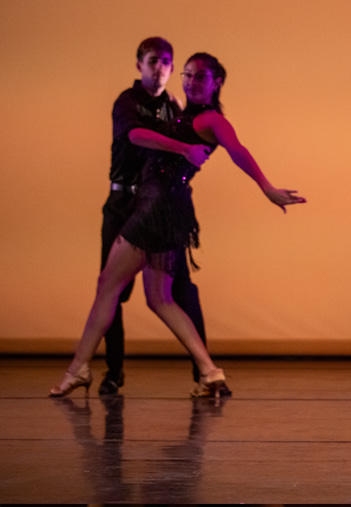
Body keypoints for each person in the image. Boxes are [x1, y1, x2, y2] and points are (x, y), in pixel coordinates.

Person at [49, 52, 306, 398]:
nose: (190, 81)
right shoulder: (185, 113)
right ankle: (210, 371)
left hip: (157, 211)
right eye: (186, 74)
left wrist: (265, 186)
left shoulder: (212, 119)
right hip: (167, 208)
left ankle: (78, 368)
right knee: (160, 299)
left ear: (217, 83)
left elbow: (237, 150)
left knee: (108, 284)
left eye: (200, 76)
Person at [98, 37, 229, 397]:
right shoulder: (128, 102)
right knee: (113, 289)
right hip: (124, 205)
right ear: (139, 64)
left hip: (159, 210)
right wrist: (184, 148)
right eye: (153, 61)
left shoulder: (175, 107)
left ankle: (206, 372)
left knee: (178, 291)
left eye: (167, 63)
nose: (161, 68)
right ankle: (113, 372)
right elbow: (135, 135)